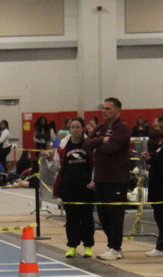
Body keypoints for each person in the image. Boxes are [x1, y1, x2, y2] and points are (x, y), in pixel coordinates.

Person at [84, 97, 132, 260]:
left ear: (117, 110)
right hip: (101, 178)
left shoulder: (123, 128)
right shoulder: (100, 127)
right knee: (103, 215)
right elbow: (86, 144)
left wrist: (97, 145)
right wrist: (100, 140)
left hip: (116, 178)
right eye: (103, 108)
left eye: (107, 108)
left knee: (115, 215)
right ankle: (112, 245)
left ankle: (115, 248)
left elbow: (111, 148)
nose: (104, 111)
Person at [53, 118, 96, 258]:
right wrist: (48, 159)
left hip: (86, 187)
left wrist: (93, 181)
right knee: (71, 218)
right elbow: (57, 165)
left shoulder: (89, 143)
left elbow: (95, 164)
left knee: (87, 217)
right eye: (73, 127)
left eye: (78, 127)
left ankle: (88, 246)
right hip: (68, 186)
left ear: (83, 129)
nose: (75, 129)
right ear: (69, 129)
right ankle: (72, 246)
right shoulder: (63, 145)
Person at [141, 115, 163, 258]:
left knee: (161, 217)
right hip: (157, 186)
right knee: (159, 217)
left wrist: (150, 159)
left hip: (161, 187)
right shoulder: (160, 142)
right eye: (159, 127)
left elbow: (160, 161)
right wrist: (151, 156)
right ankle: (161, 246)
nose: (160, 130)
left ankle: (160, 246)